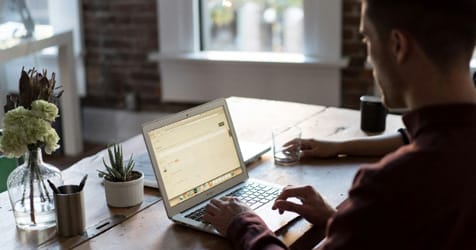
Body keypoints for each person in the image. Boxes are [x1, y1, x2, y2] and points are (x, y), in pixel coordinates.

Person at [203, 0, 476, 249]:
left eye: (367, 39)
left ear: (397, 46)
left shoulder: (392, 184)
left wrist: (243, 223)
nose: (369, 60)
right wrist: (342, 221)